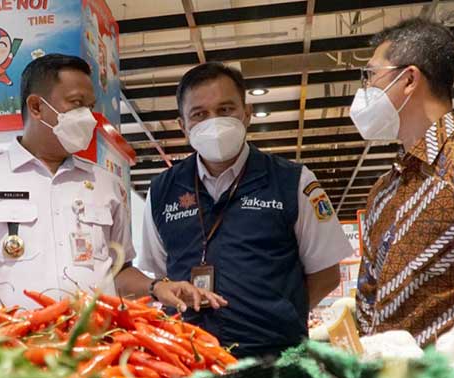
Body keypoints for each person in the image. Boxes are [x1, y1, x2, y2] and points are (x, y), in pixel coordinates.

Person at [0, 54, 222, 311]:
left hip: (95, 348)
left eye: (89, 106)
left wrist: (157, 286)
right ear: (37, 107)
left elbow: (118, 273)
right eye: (76, 104)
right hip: (13, 351)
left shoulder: (107, 184)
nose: (88, 118)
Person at [139, 62, 352, 358]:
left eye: (225, 110)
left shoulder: (292, 181)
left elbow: (326, 273)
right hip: (189, 357)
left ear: (246, 114)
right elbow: (160, 272)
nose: (213, 122)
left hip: (276, 357)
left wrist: (280, 314)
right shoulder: (163, 190)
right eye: (199, 114)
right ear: (183, 126)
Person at [354, 18, 454, 346]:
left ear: (408, 79)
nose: (364, 90)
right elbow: (368, 297)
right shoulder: (383, 191)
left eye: (370, 76)